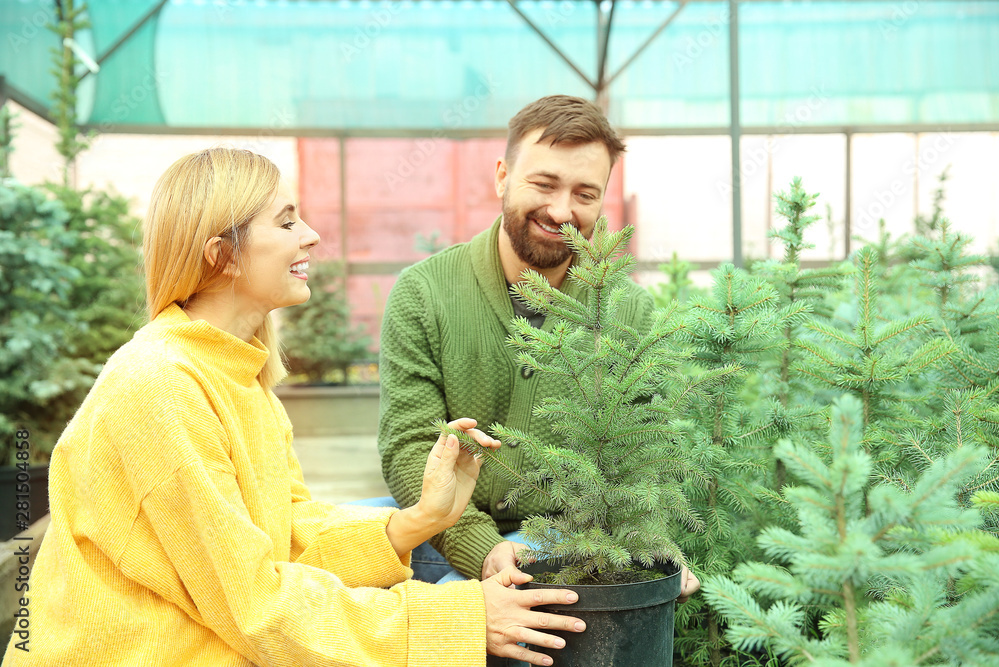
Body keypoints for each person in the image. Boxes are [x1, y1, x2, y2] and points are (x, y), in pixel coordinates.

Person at [3, 148, 585, 667]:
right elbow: (257, 607)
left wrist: (422, 519)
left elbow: (286, 535)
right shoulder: (158, 388)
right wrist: (459, 619)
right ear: (220, 256)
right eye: (285, 222)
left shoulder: (236, 373)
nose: (310, 236)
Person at [377, 95, 702, 599]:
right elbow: (409, 445)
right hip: (452, 517)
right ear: (502, 175)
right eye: (544, 184)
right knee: (329, 545)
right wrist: (479, 545)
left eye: (584, 194)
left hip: (565, 534)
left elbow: (651, 455)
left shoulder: (628, 312)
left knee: (453, 599)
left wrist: (653, 545)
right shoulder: (426, 293)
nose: (560, 211)